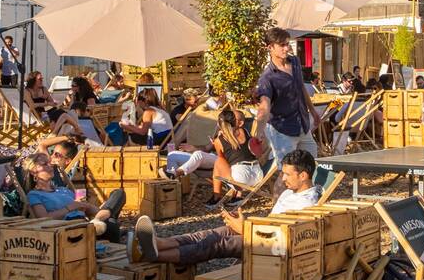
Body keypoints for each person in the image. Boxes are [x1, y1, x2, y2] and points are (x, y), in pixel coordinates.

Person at [130, 149, 321, 266]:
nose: (283, 178)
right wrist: (243, 224)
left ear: (303, 175)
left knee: (216, 244)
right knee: (209, 233)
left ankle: (153, 257)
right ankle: (159, 244)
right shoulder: (289, 193)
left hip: (273, 247)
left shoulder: (308, 204)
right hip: (259, 232)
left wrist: (246, 230)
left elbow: (287, 238)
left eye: (288, 174)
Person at [254, 27, 321, 167]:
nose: (286, 48)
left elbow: (301, 87)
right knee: (286, 174)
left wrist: (313, 112)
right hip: (282, 130)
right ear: (270, 47)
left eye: (287, 43)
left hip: (303, 125)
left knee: (311, 167)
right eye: (282, 45)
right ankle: (282, 190)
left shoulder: (295, 62)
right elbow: (264, 107)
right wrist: (259, 131)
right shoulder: (267, 78)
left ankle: (306, 190)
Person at [23, 151, 125, 241]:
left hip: (86, 221)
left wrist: (85, 205)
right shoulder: (34, 195)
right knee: (112, 226)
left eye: (50, 163)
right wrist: (70, 207)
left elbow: (87, 208)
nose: (50, 166)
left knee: (119, 193)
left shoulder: (63, 189)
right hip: (69, 229)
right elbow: (43, 218)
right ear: (33, 171)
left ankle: (98, 220)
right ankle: (108, 223)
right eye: (45, 164)